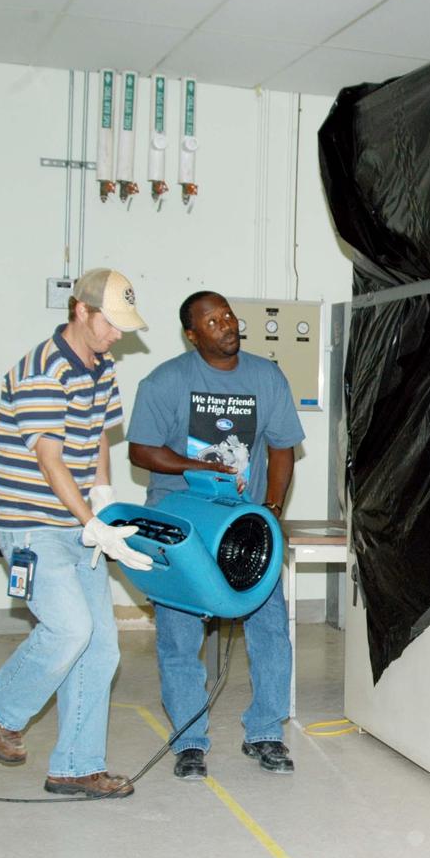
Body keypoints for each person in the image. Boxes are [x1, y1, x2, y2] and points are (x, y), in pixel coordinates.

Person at [0, 268, 152, 799]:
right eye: (110, 324)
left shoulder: (102, 367)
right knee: (71, 628)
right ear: (81, 310)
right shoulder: (40, 371)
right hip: (34, 529)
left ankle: (75, 766)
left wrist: (104, 503)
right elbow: (51, 463)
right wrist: (90, 521)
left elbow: (96, 438)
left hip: (77, 525)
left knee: (101, 649)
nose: (118, 335)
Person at [127, 290, 304, 780]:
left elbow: (284, 447)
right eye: (212, 320)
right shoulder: (166, 381)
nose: (226, 324)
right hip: (182, 529)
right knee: (180, 639)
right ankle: (190, 741)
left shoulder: (266, 378)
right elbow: (141, 450)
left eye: (228, 315)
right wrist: (196, 465)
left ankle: (266, 732)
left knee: (269, 630)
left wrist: (269, 510)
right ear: (191, 334)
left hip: (244, 531)